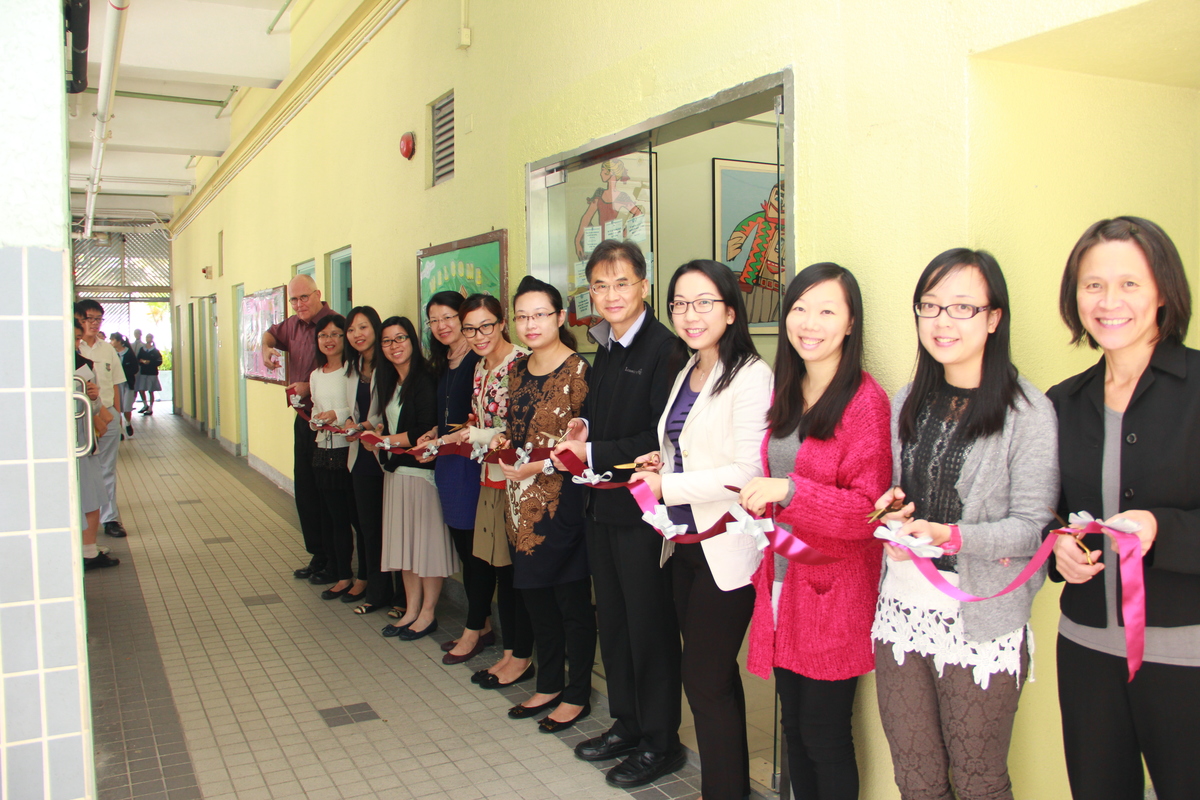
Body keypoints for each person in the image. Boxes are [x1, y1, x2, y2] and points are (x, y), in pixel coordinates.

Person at [870, 248, 1058, 800]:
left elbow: (1032, 529)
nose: (942, 321)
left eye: (961, 307)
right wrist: (893, 517)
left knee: (979, 780)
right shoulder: (908, 399)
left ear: (994, 318)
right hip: (902, 609)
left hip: (981, 619)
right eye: (929, 306)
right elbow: (901, 493)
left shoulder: (1028, 412)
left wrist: (950, 537)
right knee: (916, 779)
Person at [1047, 217, 1200, 800]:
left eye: (1129, 284)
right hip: (1086, 650)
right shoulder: (1062, 402)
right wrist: (1058, 548)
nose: (1109, 302)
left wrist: (1161, 528)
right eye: (1093, 285)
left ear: (1163, 292)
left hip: (1187, 655)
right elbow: (1048, 516)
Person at [742, 263, 891, 800]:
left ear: (850, 323)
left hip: (834, 592)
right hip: (783, 582)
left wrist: (789, 491)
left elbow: (867, 513)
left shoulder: (865, 403)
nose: (809, 323)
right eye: (800, 308)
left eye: (827, 311)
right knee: (794, 730)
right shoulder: (789, 388)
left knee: (824, 735)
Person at [628, 259, 772, 799]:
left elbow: (748, 472)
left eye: (704, 302)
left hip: (726, 549)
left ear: (731, 311)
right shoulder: (688, 368)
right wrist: (660, 462)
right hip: (684, 546)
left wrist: (669, 486)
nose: (691, 315)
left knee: (705, 679)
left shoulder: (752, 376)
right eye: (680, 304)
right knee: (713, 679)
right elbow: (685, 446)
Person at [553, 239, 686, 788]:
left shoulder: (665, 350)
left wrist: (592, 452)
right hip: (601, 506)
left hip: (642, 515)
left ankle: (660, 742)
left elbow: (658, 438)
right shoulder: (605, 345)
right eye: (600, 286)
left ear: (644, 286)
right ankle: (627, 725)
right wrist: (582, 428)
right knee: (615, 622)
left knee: (649, 627)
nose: (610, 295)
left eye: (622, 283)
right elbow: (602, 417)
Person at [498, 276, 595, 733]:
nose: (530, 324)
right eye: (522, 316)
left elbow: (584, 445)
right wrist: (502, 445)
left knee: (571, 602)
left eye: (540, 314)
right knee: (535, 597)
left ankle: (577, 694)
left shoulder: (579, 371)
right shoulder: (517, 370)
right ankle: (549, 683)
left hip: (563, 503)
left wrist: (538, 467)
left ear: (559, 317)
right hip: (519, 502)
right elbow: (516, 431)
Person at [434, 295, 533, 685]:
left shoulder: (521, 363)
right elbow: (482, 422)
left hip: (518, 480)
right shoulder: (480, 366)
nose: (479, 335)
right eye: (470, 329)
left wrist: (476, 435)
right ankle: (510, 653)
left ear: (503, 322)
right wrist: (461, 435)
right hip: (489, 478)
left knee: (513, 572)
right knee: (498, 568)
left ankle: (520, 655)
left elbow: (523, 431)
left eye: (486, 326)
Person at [414, 291, 496, 661]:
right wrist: (434, 433)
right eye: (434, 320)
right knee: (464, 548)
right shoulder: (442, 362)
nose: (441, 326)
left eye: (448, 317)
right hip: (448, 463)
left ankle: (473, 629)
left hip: (472, 463)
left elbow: (480, 420)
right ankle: (484, 625)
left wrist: (445, 438)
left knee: (476, 551)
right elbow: (448, 416)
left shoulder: (478, 360)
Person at [374, 316, 457, 639]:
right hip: (396, 473)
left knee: (426, 547)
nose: (394, 346)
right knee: (405, 548)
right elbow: (390, 425)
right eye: (387, 341)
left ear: (412, 340)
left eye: (400, 338)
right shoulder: (388, 381)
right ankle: (410, 610)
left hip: (422, 475)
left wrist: (385, 441)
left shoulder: (426, 378)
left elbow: (424, 428)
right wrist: (377, 434)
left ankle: (427, 613)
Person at [262, 274, 335, 580]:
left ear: (318, 294)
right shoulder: (292, 325)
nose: (299, 304)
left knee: (327, 492)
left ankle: (335, 559)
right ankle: (318, 554)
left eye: (304, 297)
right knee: (305, 490)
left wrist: (309, 387)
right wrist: (266, 348)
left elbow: (343, 372)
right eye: (293, 299)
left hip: (330, 425)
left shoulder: (334, 324)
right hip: (302, 419)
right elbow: (269, 334)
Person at [341, 306, 395, 617]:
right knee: (367, 528)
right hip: (359, 456)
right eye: (351, 330)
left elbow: (385, 411)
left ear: (375, 328)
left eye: (363, 327)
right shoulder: (352, 368)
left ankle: (395, 594)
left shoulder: (388, 365)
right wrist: (350, 422)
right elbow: (353, 408)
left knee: (389, 528)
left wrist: (363, 425)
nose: (357, 334)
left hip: (384, 456)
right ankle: (376, 590)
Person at [306, 314, 359, 604]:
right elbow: (316, 407)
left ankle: (359, 577)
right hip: (322, 452)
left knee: (352, 518)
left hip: (347, 450)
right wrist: (316, 420)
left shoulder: (353, 370)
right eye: (323, 335)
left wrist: (335, 415)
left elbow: (356, 408)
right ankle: (340, 574)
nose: (329, 340)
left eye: (336, 334)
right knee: (331, 518)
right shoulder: (316, 374)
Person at [75, 300, 128, 539]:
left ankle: (110, 518)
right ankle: (83, 524)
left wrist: (118, 415)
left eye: (98, 319)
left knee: (107, 468)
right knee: (84, 471)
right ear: (79, 319)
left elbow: (116, 384)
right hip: (82, 418)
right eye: (89, 318)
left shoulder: (107, 349)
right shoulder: (73, 347)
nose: (94, 323)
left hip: (107, 415)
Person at [77, 319, 119, 570]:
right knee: (89, 491)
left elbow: (113, 385)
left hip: (90, 431)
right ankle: (87, 549)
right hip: (80, 436)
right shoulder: (73, 362)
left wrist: (113, 414)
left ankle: (101, 530)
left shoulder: (100, 353)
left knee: (101, 478)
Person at [111, 332, 138, 438]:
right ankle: (120, 430)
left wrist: (125, 373)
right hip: (116, 384)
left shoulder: (129, 353)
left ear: (119, 341)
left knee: (127, 407)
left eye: (113, 340)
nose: (111, 342)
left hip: (128, 383)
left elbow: (135, 368)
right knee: (118, 407)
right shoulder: (112, 353)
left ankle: (128, 423)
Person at [134, 333, 163, 415]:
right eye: (147, 337)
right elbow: (138, 359)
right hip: (143, 372)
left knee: (151, 390)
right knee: (141, 389)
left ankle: (150, 407)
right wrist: (141, 361)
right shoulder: (142, 349)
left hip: (152, 373)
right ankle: (145, 404)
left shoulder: (155, 351)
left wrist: (150, 362)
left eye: (149, 337)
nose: (148, 339)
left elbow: (159, 361)